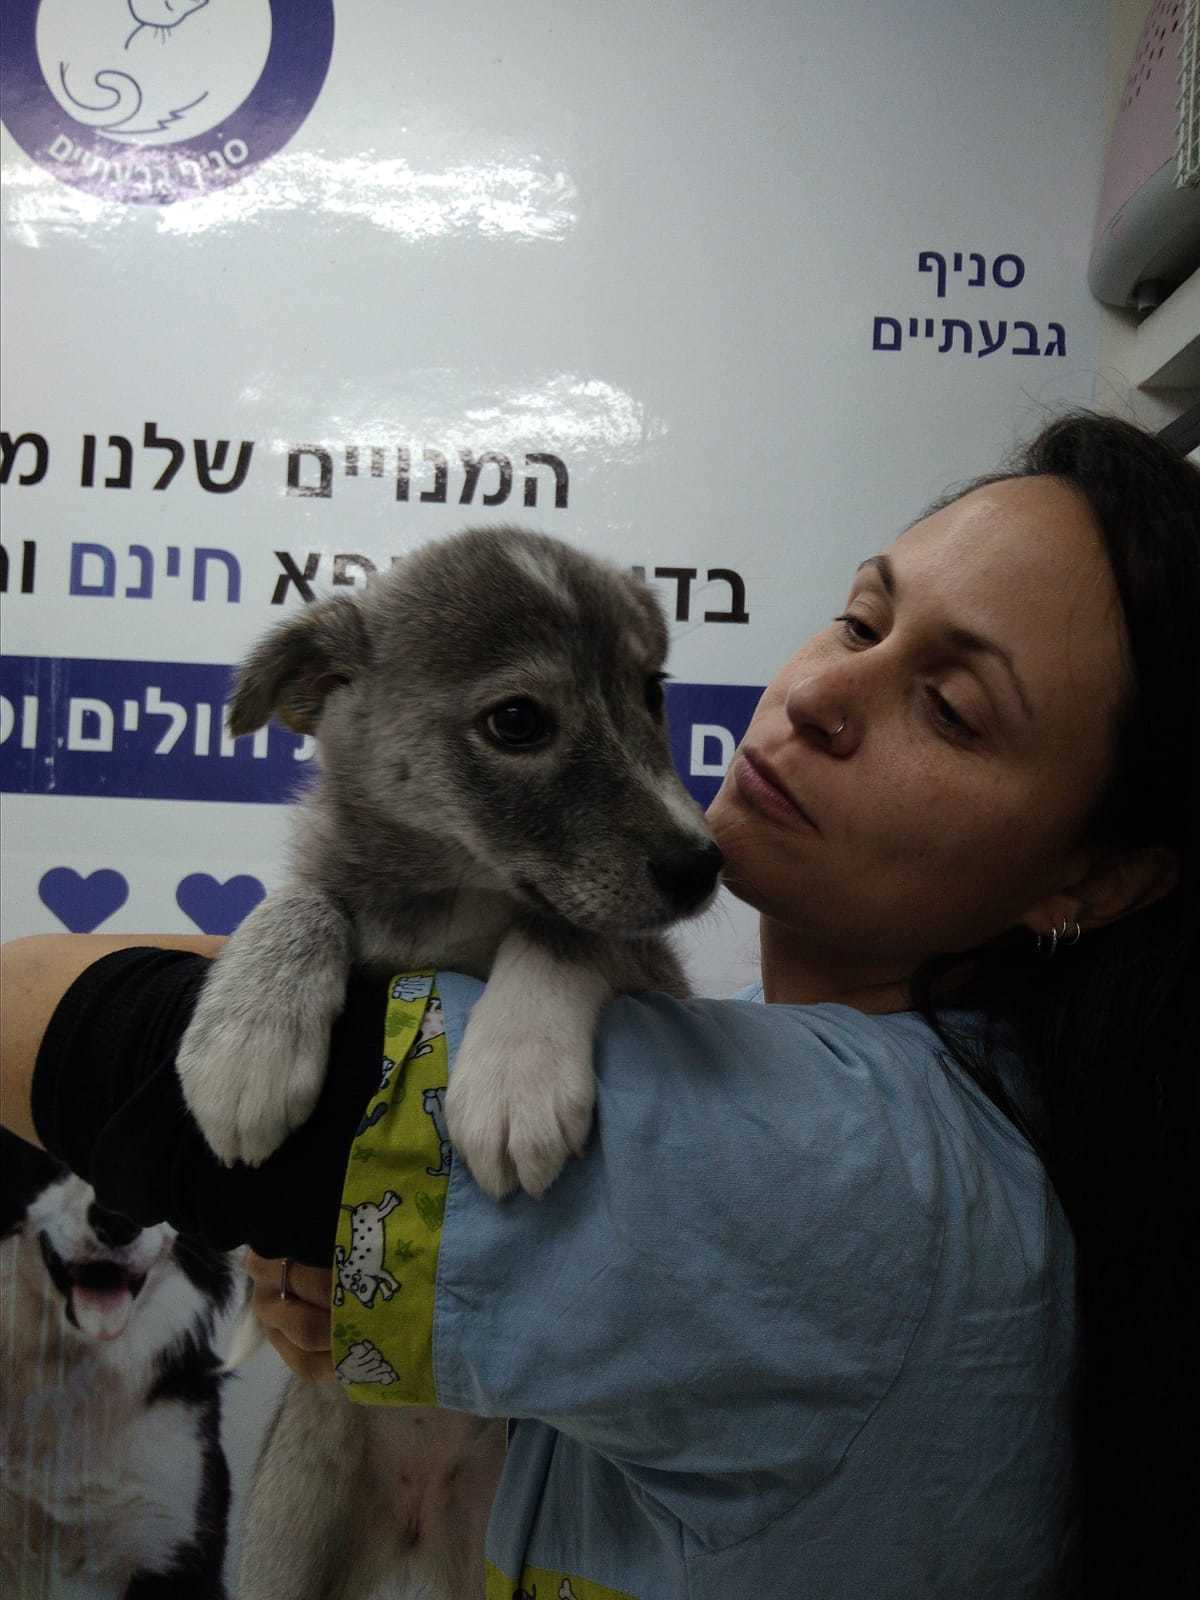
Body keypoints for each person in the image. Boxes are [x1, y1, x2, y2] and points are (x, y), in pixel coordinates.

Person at [2, 411, 1196, 1599]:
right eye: (861, 620)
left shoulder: (863, 1171)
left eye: (954, 709)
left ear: (1093, 879)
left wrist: (545, 961)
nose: (824, 692)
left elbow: (74, 1033)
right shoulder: (811, 1051)